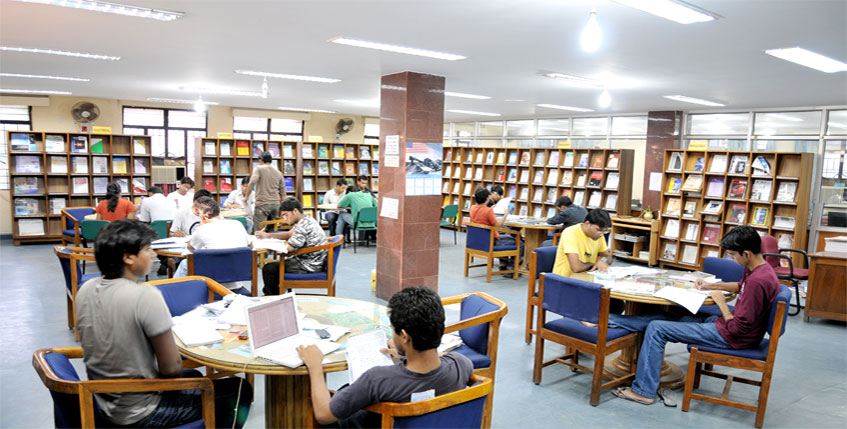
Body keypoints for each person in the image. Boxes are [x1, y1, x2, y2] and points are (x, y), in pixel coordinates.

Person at [75, 219, 252, 427]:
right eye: (148, 249)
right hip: (142, 411)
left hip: (104, 400)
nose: (154, 255)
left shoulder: (86, 289)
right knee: (239, 389)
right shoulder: (145, 295)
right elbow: (171, 369)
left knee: (194, 374)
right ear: (128, 257)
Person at [609, 226, 781, 406]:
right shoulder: (759, 268)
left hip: (733, 336)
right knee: (673, 314)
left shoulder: (757, 281)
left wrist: (721, 303)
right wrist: (712, 286)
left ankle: (643, 391)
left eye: (732, 254)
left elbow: (737, 328)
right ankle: (610, 321)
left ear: (746, 253)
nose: (731, 258)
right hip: (729, 327)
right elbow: (740, 286)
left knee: (656, 328)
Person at [296, 286, 474, 428]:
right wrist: (405, 356)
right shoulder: (461, 365)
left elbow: (323, 415)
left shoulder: (377, 379)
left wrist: (315, 366)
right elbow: (436, 361)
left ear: (404, 336)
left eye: (393, 329)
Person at [173, 196, 251, 291]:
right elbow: (250, 246)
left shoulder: (202, 229)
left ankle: (176, 292)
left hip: (212, 282)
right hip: (237, 278)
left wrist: (199, 228)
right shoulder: (237, 224)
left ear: (202, 216)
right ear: (218, 211)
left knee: (185, 264)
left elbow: (190, 248)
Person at [259, 197, 328, 296]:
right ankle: (276, 294)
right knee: (274, 268)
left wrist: (269, 244)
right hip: (312, 259)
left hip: (308, 265)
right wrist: (269, 235)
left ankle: (272, 298)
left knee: (269, 269)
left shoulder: (303, 226)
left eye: (286, 215)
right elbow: (288, 235)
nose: (284, 219)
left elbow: (289, 248)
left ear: (295, 211)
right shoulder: (306, 219)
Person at [469, 187, 522, 272]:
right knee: (520, 242)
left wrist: (491, 209)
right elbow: (498, 225)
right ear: (487, 199)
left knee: (504, 237)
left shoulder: (472, 208)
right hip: (491, 241)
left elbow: (481, 218)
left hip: (478, 240)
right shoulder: (488, 211)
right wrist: (505, 214)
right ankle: (511, 268)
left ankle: (503, 264)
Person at [551, 209, 612, 277]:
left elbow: (608, 256)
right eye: (598, 230)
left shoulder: (599, 235)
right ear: (587, 224)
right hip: (565, 280)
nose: (601, 234)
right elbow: (576, 267)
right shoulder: (570, 233)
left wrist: (603, 261)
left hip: (586, 278)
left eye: (604, 231)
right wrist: (595, 263)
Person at [246, 151, 285, 230]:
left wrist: (246, 196)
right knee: (271, 230)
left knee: (259, 230)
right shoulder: (278, 173)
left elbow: (252, 182)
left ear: (261, 160)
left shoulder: (259, 168)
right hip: (275, 204)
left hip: (263, 204)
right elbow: (283, 191)